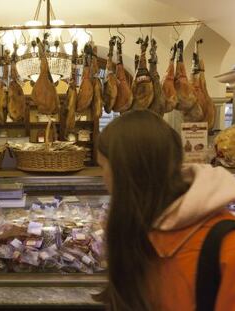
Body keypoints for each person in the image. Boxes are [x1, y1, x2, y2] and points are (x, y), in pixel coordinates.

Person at [96, 110, 235, 310]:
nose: (103, 180)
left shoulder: (226, 248)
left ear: (125, 175)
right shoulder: (140, 231)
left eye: (103, 168)